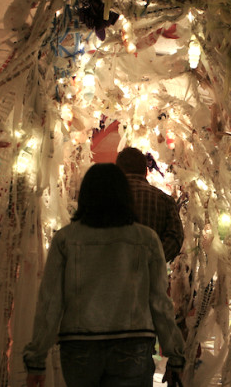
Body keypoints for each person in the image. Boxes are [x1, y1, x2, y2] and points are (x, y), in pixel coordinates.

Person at [23, 163, 185, 387]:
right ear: (126, 197)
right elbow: (159, 301)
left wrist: (36, 358)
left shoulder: (66, 239)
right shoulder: (146, 239)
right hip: (133, 342)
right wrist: (175, 355)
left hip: (79, 345)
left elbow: (50, 303)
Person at [116, 147, 184, 263]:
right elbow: (175, 237)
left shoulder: (102, 199)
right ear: (145, 171)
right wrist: (151, 260)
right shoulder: (164, 200)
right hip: (150, 278)